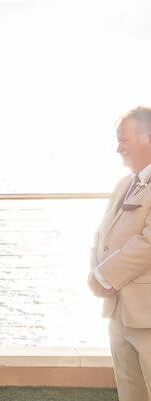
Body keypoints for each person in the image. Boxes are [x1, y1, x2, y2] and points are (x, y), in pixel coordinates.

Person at [89, 107, 151, 401]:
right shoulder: (124, 184)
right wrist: (95, 275)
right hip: (118, 313)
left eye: (123, 140)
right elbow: (101, 236)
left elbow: (148, 244)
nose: (118, 148)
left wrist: (103, 275)